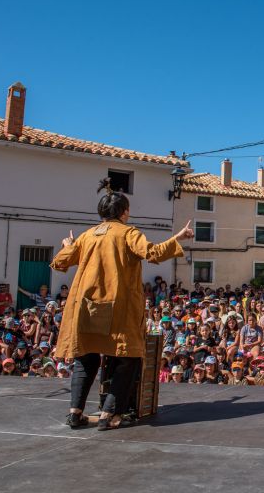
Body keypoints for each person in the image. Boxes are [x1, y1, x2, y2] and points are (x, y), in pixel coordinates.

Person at [51, 178, 192, 430]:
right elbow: (153, 253)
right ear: (125, 212)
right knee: (128, 358)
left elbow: (61, 261)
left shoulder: (88, 235)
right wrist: (179, 237)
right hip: (117, 307)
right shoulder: (128, 233)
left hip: (85, 306)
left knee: (86, 357)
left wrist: (68, 246)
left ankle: (75, 413)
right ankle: (109, 415)